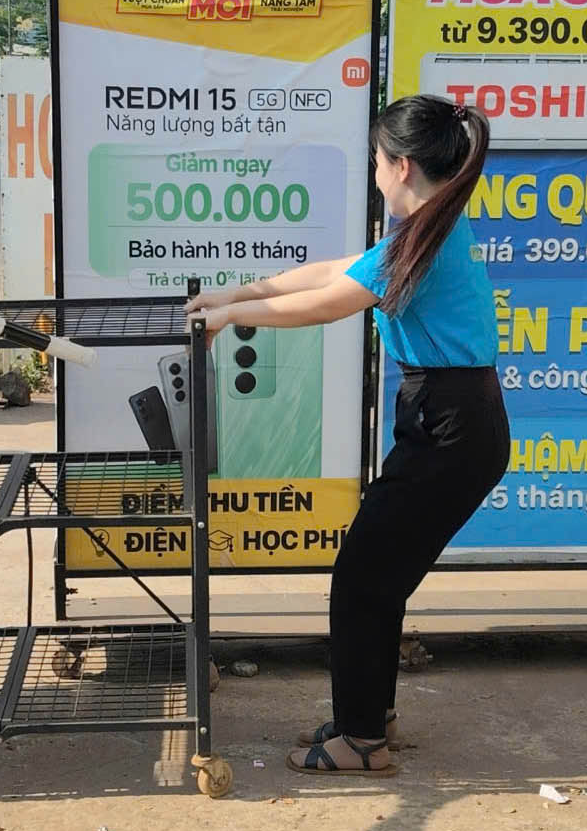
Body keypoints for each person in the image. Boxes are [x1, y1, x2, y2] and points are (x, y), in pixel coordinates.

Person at [186, 95, 506, 777]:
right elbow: (333, 271)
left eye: (376, 160)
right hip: (453, 420)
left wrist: (232, 317)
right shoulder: (428, 229)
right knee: (376, 577)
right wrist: (236, 294)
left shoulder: (426, 237)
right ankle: (369, 715)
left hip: (450, 426)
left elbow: (327, 304)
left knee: (362, 577)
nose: (374, 171)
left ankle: (361, 740)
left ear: (400, 165)